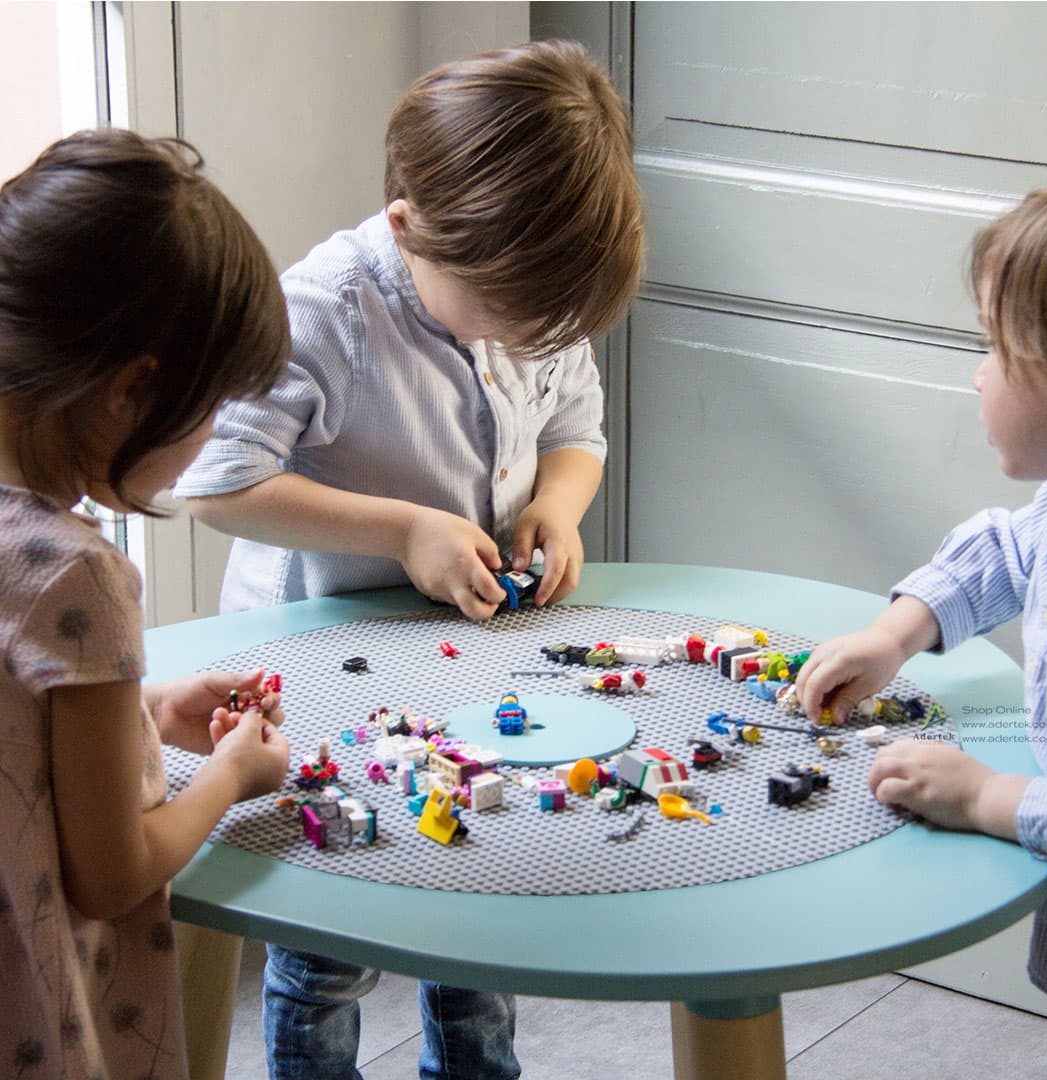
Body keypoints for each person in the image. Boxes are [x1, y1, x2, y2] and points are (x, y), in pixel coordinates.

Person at [175, 37, 644, 1080]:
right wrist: (403, 530)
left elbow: (579, 428)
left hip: (471, 662)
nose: (533, 343)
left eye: (548, 329)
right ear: (410, 230)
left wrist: (559, 511)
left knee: (479, 905)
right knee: (329, 940)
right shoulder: (322, 312)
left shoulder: (534, 290)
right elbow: (217, 481)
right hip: (320, 672)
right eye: (511, 323)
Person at [0, 128, 293, 1079]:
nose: (211, 441)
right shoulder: (73, 573)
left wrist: (149, 712)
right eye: (211, 413)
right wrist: (229, 779)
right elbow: (112, 869)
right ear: (133, 391)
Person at [793, 182, 1047, 1079]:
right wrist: (898, 632)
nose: (977, 373)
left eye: (994, 348)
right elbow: (1006, 548)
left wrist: (985, 799)